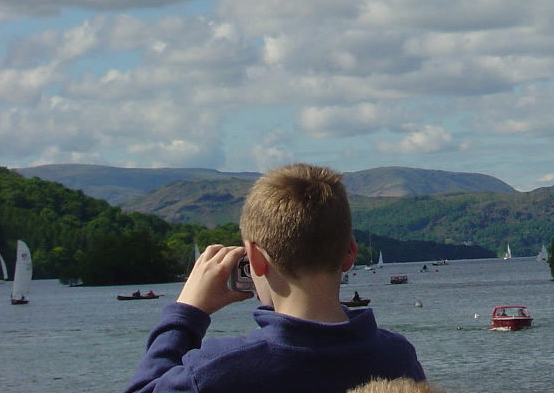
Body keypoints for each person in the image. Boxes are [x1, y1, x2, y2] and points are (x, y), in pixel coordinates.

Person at [125, 163, 426, 393]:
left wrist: (187, 314)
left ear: (254, 259)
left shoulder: (215, 371)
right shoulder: (398, 358)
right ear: (349, 252)